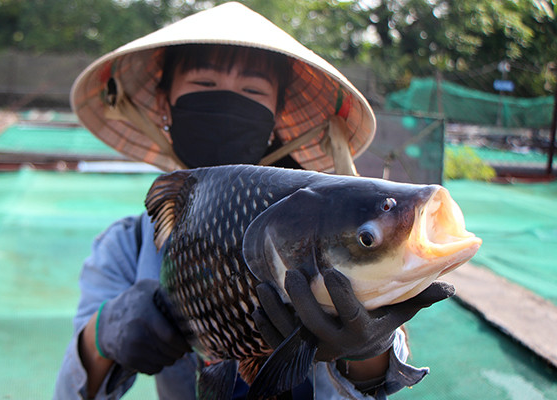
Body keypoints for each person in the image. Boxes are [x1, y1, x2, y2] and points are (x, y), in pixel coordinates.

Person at [54, 3, 454, 399]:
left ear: (276, 113)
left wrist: (367, 346)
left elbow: (382, 372)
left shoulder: (327, 218)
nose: (227, 104)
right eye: (204, 85)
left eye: (251, 91)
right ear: (164, 103)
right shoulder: (128, 245)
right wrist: (102, 335)